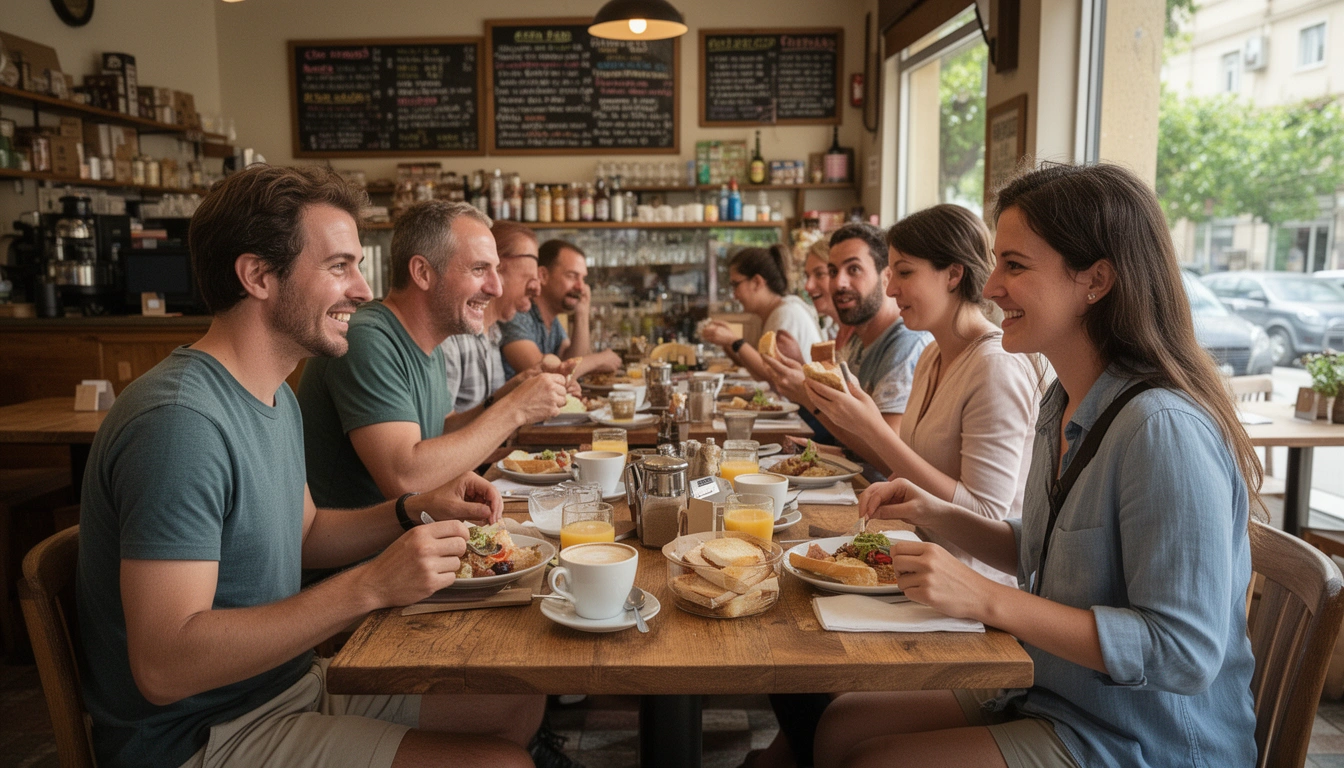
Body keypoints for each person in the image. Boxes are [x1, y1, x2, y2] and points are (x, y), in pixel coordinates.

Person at [75, 165, 542, 768]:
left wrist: (414, 510)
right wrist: (372, 585)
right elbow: (165, 665)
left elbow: (306, 535)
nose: (364, 291)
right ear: (258, 276)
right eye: (339, 266)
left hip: (284, 687)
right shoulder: (179, 424)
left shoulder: (275, 395)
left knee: (515, 703)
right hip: (203, 736)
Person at [815, 163, 1261, 768]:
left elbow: (1183, 651)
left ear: (1095, 281)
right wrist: (936, 512)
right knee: (843, 724)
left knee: (876, 760)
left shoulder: (1161, 429)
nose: (991, 286)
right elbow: (1049, 550)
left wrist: (986, 599)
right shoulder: (1066, 400)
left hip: (1141, 740)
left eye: (1014, 266)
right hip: (1054, 692)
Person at [806, 205, 1040, 583]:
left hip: (969, 587)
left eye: (904, 272)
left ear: (952, 274)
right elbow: (917, 470)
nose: (891, 288)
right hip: (915, 564)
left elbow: (986, 515)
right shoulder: (932, 354)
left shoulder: (995, 366)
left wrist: (873, 429)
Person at [298, 201, 568, 510]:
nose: (496, 288)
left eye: (496, 270)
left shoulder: (430, 342)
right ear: (423, 272)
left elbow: (442, 431)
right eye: (480, 269)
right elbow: (405, 478)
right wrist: (516, 409)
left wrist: (507, 394)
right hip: (360, 556)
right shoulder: (366, 338)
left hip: (414, 541)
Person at [763, 224, 930, 465]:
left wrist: (807, 394)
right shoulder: (856, 342)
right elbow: (858, 445)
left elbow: (891, 462)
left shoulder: (906, 344)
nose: (838, 283)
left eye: (854, 269)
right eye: (832, 271)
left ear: (887, 277)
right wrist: (823, 451)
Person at [441, 220, 556, 414]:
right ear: (497, 264)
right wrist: (516, 404)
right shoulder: (452, 337)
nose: (537, 287)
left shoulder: (494, 332)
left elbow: (487, 411)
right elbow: (440, 431)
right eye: (531, 263)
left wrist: (518, 388)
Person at [498, 238, 622, 379]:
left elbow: (573, 362)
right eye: (572, 276)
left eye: (583, 279)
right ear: (543, 276)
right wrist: (599, 359)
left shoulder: (553, 321)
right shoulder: (517, 313)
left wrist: (582, 313)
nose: (581, 287)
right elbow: (542, 375)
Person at [700, 244, 823, 383]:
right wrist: (727, 343)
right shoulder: (775, 312)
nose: (734, 295)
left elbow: (772, 373)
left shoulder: (786, 314)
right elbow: (755, 366)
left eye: (736, 284)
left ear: (757, 282)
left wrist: (734, 341)